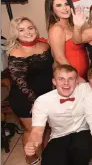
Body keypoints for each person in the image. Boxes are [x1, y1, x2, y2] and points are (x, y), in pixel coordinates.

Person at [6, 17, 54, 165]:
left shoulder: (44, 46)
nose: (27, 32)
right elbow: (21, 84)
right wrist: (36, 102)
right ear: (16, 34)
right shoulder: (15, 53)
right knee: (33, 130)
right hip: (25, 99)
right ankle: (31, 158)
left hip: (45, 95)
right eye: (21, 30)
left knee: (45, 128)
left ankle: (46, 155)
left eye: (30, 28)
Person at [24, 65, 92, 165]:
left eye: (70, 79)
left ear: (76, 81)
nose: (66, 83)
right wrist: (32, 144)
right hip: (59, 135)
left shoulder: (85, 88)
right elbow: (37, 131)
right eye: (61, 79)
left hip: (82, 132)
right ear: (54, 81)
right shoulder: (42, 101)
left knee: (81, 151)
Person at [45, 0, 88, 79]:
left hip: (83, 75)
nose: (64, 8)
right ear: (52, 9)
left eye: (66, 4)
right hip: (69, 77)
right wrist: (75, 77)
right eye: (59, 5)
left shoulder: (73, 25)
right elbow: (59, 58)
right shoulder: (57, 29)